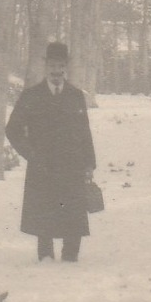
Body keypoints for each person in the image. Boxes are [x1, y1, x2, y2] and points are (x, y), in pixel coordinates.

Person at [6, 42, 97, 262]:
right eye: (53, 66)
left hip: (72, 164)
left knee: (73, 213)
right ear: (46, 67)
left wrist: (89, 163)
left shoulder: (75, 96)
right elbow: (12, 129)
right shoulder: (32, 95)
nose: (57, 71)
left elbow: (84, 131)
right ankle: (45, 257)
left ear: (66, 67)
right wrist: (31, 153)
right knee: (44, 212)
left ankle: (71, 256)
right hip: (43, 165)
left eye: (61, 66)